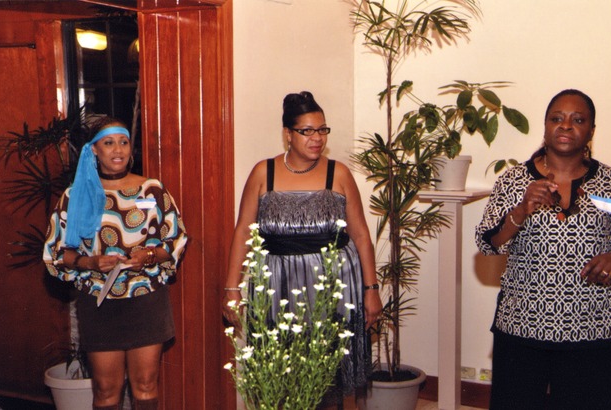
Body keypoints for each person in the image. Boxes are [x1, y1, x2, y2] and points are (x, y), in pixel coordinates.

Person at [223, 91, 383, 407]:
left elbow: (361, 235)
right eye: (307, 131)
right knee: (279, 373)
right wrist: (231, 287)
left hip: (332, 288)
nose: (317, 138)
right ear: (288, 134)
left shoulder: (338, 173)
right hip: (276, 287)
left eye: (322, 130)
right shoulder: (262, 173)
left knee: (327, 377)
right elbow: (243, 230)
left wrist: (371, 289)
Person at [475, 89, 611, 410]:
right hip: (522, 327)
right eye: (556, 118)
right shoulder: (514, 181)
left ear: (591, 131)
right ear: (545, 127)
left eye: (578, 120)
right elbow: (488, 244)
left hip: (594, 330)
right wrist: (521, 210)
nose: (566, 126)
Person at [43, 117, 188, 410]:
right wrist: (91, 262)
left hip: (146, 299)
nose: (117, 150)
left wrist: (147, 255)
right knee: (106, 389)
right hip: (99, 302)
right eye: (108, 143)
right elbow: (57, 254)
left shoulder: (152, 190)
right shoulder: (74, 196)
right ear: (94, 150)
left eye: (122, 142)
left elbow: (175, 240)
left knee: (146, 386)